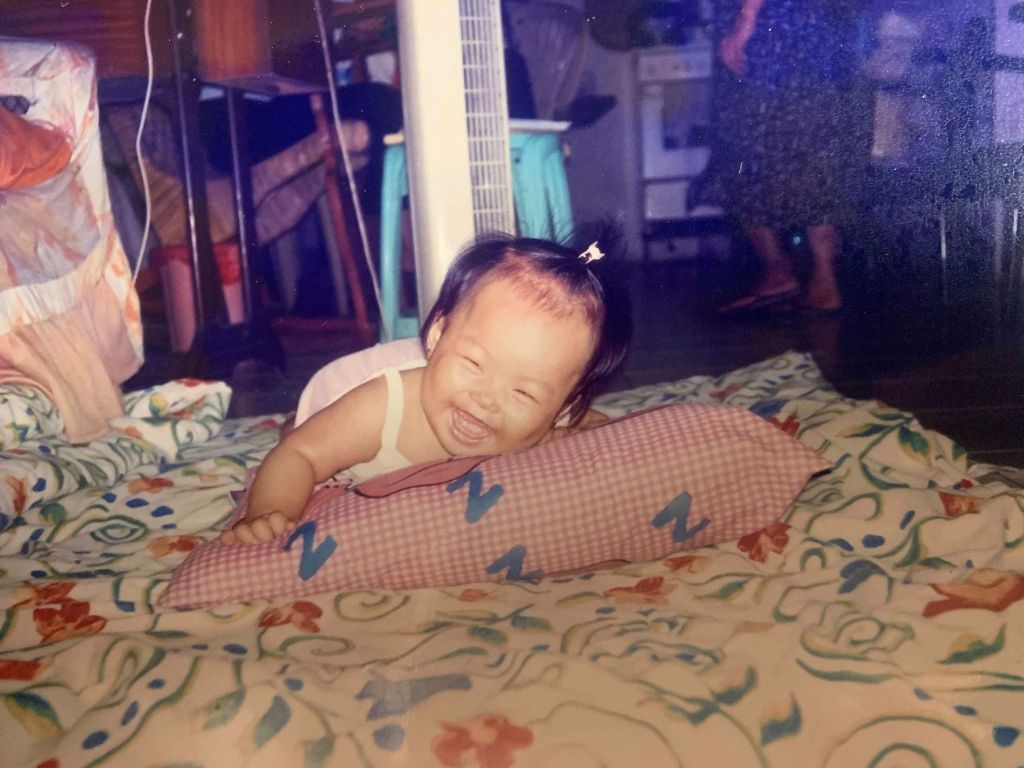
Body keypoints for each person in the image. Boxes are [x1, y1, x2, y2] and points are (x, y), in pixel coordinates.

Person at [219, 234, 632, 545]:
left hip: (450, 372)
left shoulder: (552, 417)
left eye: (523, 394)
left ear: (563, 404)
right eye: (474, 364)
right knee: (303, 436)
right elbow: (300, 455)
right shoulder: (383, 406)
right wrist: (270, 513)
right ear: (437, 334)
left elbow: (605, 432)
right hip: (343, 394)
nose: (486, 399)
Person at [715, 0, 864, 314]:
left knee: (746, 153)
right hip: (821, 29)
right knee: (817, 146)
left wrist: (746, 18)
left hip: (775, 29)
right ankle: (822, 279)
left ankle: (780, 271)